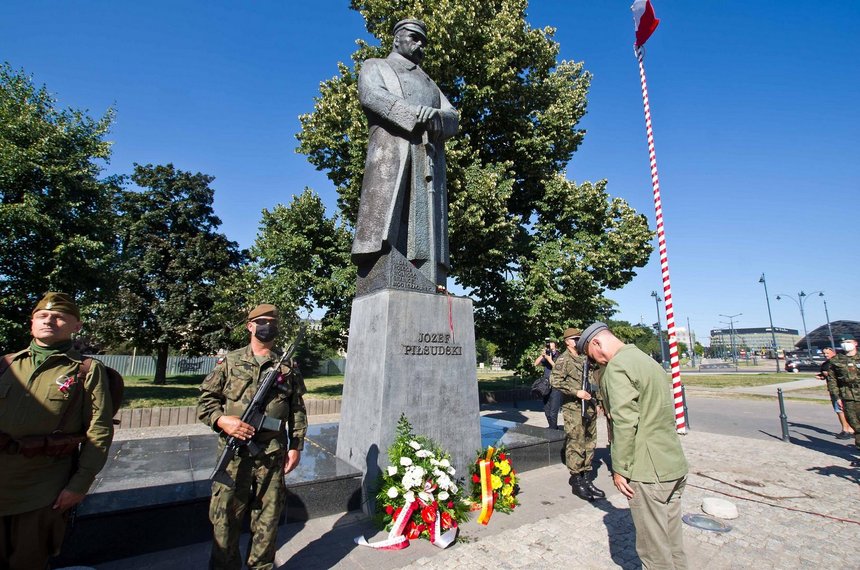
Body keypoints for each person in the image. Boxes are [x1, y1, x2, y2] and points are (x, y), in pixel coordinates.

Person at [0, 292, 114, 569]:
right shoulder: (6, 364)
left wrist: (79, 484)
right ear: (31, 323)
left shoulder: (86, 370)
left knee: (27, 561)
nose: (49, 320)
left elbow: (99, 430)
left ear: (77, 326)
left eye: (59, 317)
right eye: (42, 315)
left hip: (42, 489)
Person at [198, 304, 308, 570]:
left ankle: (261, 567)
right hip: (234, 456)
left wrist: (296, 446)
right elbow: (205, 402)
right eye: (262, 321)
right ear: (250, 326)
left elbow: (296, 409)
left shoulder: (287, 366)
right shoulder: (231, 361)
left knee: (268, 520)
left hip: (271, 454)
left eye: (273, 322)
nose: (268, 326)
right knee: (225, 519)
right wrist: (223, 420)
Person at [352, 18, 459, 288]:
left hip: (428, 159)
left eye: (423, 40)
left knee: (425, 229)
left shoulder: (430, 84)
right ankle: (383, 268)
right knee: (387, 222)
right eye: (414, 37)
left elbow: (453, 116)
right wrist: (415, 115)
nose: (420, 44)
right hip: (391, 157)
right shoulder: (375, 66)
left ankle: (427, 279)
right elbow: (372, 95)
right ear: (397, 38)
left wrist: (436, 117)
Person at [578, 322, 688, 570]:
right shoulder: (647, 360)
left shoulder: (618, 368)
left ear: (596, 343)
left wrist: (620, 469)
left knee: (654, 553)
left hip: (647, 469)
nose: (593, 360)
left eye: (590, 354)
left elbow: (625, 423)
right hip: (672, 463)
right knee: (673, 543)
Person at [549, 328, 604, 501]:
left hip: (589, 406)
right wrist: (575, 392)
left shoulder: (585, 357)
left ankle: (587, 477)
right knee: (576, 443)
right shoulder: (564, 359)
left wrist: (598, 401)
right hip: (573, 408)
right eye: (575, 339)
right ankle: (576, 480)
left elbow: (593, 380)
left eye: (580, 338)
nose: (578, 341)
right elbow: (554, 381)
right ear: (567, 341)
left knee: (589, 442)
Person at [827, 335, 860, 466]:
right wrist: (837, 397)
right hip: (848, 396)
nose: (845, 344)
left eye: (848, 341)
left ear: (855, 343)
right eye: (843, 342)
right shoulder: (836, 360)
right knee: (856, 425)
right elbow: (832, 380)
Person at [818, 346, 855, 439]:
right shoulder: (825, 364)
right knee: (839, 410)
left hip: (842, 389)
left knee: (843, 410)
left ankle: (847, 430)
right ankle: (848, 429)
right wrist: (822, 376)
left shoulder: (839, 362)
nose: (825, 355)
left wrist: (829, 374)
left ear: (833, 352)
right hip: (833, 389)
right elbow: (825, 375)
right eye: (824, 353)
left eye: (827, 353)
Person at [534, 340, 561, 430]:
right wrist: (542, 355)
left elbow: (559, 369)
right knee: (547, 410)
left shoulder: (559, 356)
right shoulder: (546, 356)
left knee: (553, 411)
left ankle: (553, 430)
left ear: (556, 348)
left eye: (552, 349)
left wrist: (550, 359)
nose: (550, 350)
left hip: (556, 386)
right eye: (548, 348)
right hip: (546, 386)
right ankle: (552, 427)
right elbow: (536, 363)